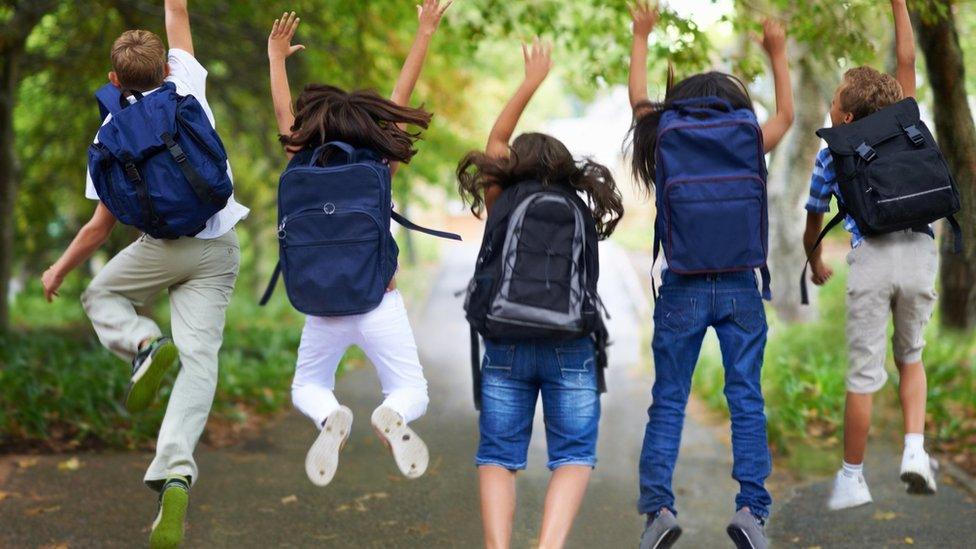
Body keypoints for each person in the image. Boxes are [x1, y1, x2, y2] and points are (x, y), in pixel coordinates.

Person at [40, 1, 248, 546]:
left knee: (100, 295)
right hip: (217, 245)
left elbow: (98, 228)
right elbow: (176, 8)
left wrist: (58, 269)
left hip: (158, 248)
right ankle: (174, 471)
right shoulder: (188, 89)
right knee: (200, 362)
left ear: (114, 79)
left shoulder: (110, 131)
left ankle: (143, 344)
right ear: (167, 66)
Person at [626, 2, 794, 548]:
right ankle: (751, 511)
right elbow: (787, 116)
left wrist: (641, 35)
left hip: (683, 284)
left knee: (668, 398)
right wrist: (777, 53)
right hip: (741, 283)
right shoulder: (746, 136)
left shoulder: (665, 135)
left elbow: (636, 102)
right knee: (746, 396)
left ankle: (657, 513)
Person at [265, 2, 452, 488]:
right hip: (377, 298)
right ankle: (391, 413)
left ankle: (331, 416)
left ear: (311, 129)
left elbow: (284, 117)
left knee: (308, 385)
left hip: (321, 304)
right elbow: (401, 93)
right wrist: (425, 31)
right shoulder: (378, 167)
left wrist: (275, 58)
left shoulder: (299, 163)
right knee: (411, 389)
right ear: (371, 126)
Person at [456, 39, 624, 549]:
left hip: (506, 339)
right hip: (571, 342)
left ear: (516, 166)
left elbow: (497, 139)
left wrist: (530, 82)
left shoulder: (501, 197)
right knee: (573, 454)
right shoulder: (578, 204)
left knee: (499, 456)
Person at [803, 0, 940, 511]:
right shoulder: (906, 124)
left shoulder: (831, 153)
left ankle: (853, 478)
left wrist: (814, 262)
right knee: (912, 356)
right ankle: (914, 452)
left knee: (863, 374)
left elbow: (814, 219)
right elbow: (906, 59)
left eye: (835, 101)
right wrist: (899, 4)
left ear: (846, 115)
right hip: (921, 248)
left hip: (871, 259)